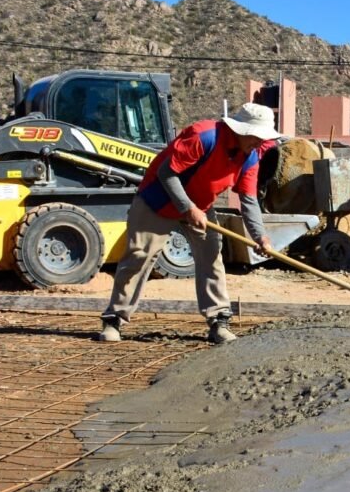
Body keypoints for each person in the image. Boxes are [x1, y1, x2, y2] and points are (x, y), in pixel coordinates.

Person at [98, 103, 280, 343]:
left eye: (263, 138)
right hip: (159, 200)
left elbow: (248, 199)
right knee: (139, 257)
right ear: (241, 130)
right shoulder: (204, 136)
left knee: (211, 257)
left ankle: (218, 320)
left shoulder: (251, 157)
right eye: (256, 136)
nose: (259, 142)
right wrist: (188, 208)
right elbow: (166, 173)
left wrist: (260, 237)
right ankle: (114, 319)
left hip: (200, 205)